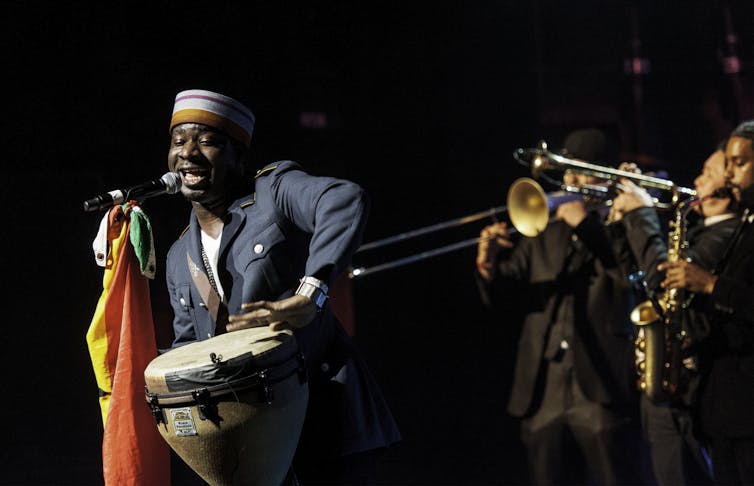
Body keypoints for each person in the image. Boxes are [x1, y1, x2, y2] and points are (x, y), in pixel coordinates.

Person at [162, 89, 401, 484]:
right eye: (178, 141)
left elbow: (344, 198)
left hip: (325, 421)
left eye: (207, 141)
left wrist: (311, 293)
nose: (187, 153)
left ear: (239, 154)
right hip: (252, 445)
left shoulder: (273, 192)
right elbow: (191, 352)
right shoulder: (177, 258)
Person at [476, 128, 647, 485]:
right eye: (568, 172)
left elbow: (630, 279)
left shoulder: (624, 223)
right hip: (543, 385)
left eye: (580, 171)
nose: (571, 181)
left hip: (600, 382)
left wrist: (586, 224)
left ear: (604, 177)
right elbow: (509, 292)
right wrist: (489, 265)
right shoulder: (545, 228)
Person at [609, 145, 739, 486]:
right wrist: (621, 226)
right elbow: (638, 280)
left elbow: (664, 281)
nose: (697, 179)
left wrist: (641, 214)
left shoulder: (730, 232)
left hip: (698, 387)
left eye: (708, 173)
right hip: (667, 382)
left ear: (730, 186)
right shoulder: (695, 228)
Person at [653, 120, 753, 485]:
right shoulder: (744, 224)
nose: (729, 175)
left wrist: (710, 285)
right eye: (727, 164)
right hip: (720, 407)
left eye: (739, 164)